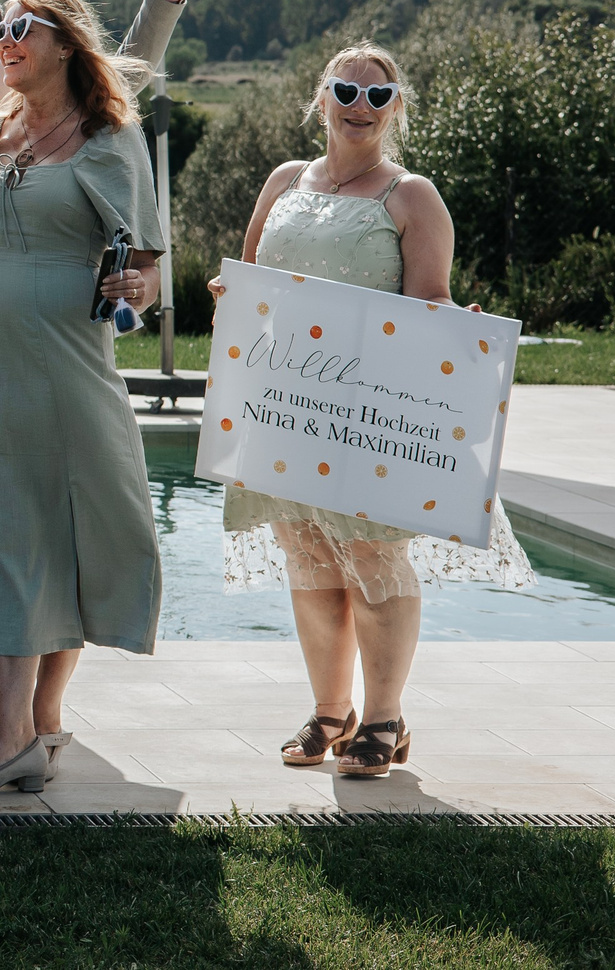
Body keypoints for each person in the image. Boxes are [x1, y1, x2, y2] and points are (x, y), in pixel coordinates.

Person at [218, 43, 532, 779]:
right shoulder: (285, 181)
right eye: (346, 90)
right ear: (320, 98)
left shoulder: (411, 195)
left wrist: (459, 325)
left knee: (370, 557)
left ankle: (385, 718)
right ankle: (332, 712)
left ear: (396, 108)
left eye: (377, 95)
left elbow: (431, 299)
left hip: (371, 413)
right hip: (284, 404)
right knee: (306, 555)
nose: (360, 106)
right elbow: (250, 283)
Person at [0, 0, 169, 797]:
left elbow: (146, 267)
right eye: (0, 29)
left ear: (64, 44)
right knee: (3, 535)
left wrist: (140, 293)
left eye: (20, 28)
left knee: (61, 536)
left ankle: (15, 738)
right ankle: (20, 736)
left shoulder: (111, 139)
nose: (5, 40)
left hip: (70, 362)